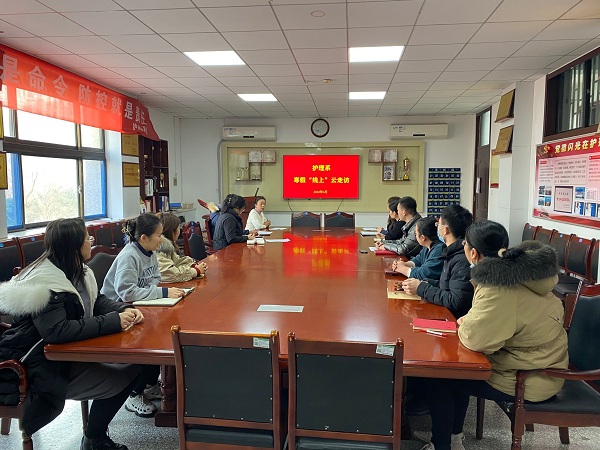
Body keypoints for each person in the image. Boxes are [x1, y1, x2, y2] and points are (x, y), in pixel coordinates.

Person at [414, 221, 568, 450]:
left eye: (465, 244)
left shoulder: (498, 286)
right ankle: (453, 439)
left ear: (474, 253)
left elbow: (477, 340)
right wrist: (470, 322)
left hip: (528, 378)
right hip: (543, 365)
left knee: (441, 376)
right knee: (454, 374)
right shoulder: (523, 274)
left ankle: (442, 444)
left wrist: (465, 324)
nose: (463, 247)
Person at [0, 218, 147, 450]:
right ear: (74, 245)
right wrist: (113, 322)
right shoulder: (45, 284)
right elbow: (57, 331)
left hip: (58, 358)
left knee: (135, 365)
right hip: (39, 369)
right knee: (127, 374)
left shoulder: (73, 269)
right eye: (87, 238)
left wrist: (122, 310)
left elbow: (95, 301)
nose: (91, 241)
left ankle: (94, 435)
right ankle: (94, 439)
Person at [101, 213, 185, 418]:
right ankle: (134, 394)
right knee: (149, 340)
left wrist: (151, 291)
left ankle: (149, 384)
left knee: (161, 332)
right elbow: (126, 293)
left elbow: (155, 278)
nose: (161, 239)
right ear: (143, 238)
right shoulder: (129, 256)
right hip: (118, 310)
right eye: (158, 235)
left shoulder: (151, 251)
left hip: (140, 305)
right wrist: (161, 293)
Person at [402, 205, 473, 318]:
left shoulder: (461, 259)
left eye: (438, 225)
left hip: (453, 318)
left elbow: (456, 300)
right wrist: (424, 282)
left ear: (445, 230)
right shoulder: (451, 252)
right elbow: (446, 285)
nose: (437, 228)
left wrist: (421, 288)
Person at [157, 212, 207, 283]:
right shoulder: (159, 249)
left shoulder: (166, 246)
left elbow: (177, 261)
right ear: (172, 231)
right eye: (179, 228)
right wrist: (196, 271)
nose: (180, 231)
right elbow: (171, 274)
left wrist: (192, 265)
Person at [392, 216, 444, 280]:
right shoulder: (427, 247)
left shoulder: (439, 249)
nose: (415, 236)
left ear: (423, 238)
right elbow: (418, 260)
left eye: (415, 234)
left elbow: (424, 274)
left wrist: (402, 269)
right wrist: (404, 264)